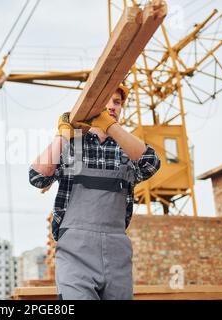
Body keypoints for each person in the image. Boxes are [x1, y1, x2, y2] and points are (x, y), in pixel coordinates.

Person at [28, 85, 161, 300]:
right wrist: (62, 135)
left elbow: (151, 164)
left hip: (117, 253)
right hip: (75, 252)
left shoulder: (128, 148)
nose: (111, 107)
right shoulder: (71, 145)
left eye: (117, 102)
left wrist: (111, 127)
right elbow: (37, 177)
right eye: (105, 102)